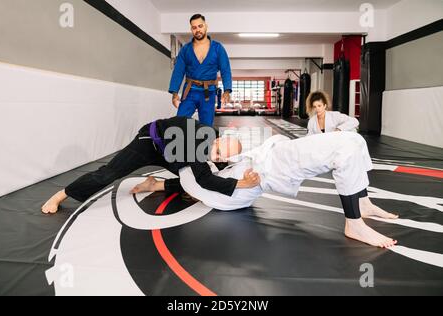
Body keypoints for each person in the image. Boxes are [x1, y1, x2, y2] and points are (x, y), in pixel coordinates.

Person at [133, 132, 399, 249]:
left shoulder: (207, 175)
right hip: (275, 166)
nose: (213, 151)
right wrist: (238, 181)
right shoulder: (203, 181)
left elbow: (202, 175)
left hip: (275, 156)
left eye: (216, 147)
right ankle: (354, 222)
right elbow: (198, 179)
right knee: (346, 148)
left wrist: (156, 184)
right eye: (215, 149)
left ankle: (361, 201)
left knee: (355, 139)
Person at [41, 117, 260, 214]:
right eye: (217, 150)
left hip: (173, 154)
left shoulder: (216, 143)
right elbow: (205, 178)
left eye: (220, 157)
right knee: (108, 174)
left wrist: (228, 169)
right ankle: (61, 194)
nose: (214, 155)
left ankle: (154, 185)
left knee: (193, 184)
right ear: (217, 140)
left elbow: (206, 177)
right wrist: (242, 183)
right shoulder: (198, 141)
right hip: (150, 142)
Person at [169, 14, 232, 126]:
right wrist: (174, 93)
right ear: (191, 29)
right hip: (190, 91)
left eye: (200, 26)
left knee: (206, 126)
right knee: (179, 123)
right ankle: (181, 143)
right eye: (194, 27)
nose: (197, 30)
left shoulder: (218, 48)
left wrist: (227, 90)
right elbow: (178, 71)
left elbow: (225, 70)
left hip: (209, 92)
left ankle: (205, 143)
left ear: (206, 26)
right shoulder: (186, 49)